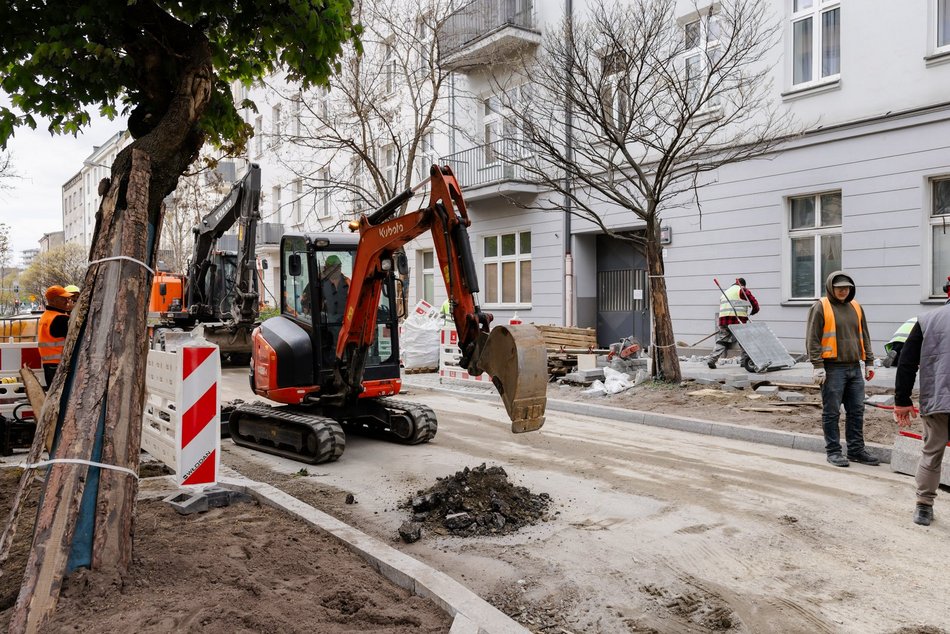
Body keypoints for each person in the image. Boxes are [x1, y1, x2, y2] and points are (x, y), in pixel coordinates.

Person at [805, 271, 878, 467]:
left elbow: (865, 335)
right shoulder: (821, 307)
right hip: (832, 369)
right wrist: (817, 366)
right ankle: (834, 452)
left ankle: (855, 450)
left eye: (847, 287)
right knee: (832, 412)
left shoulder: (856, 306)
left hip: (854, 367)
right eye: (839, 288)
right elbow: (812, 339)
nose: (843, 291)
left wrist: (869, 362)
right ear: (831, 287)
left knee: (856, 411)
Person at [893, 302, 950, 526]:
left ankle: (923, 506)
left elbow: (907, 362)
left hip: (937, 400)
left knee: (931, 454)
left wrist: (902, 400)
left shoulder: (927, 320)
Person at [707, 277, 759, 369]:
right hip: (737, 319)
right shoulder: (742, 290)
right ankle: (744, 362)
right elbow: (754, 303)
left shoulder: (726, 292)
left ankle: (712, 359)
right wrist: (753, 311)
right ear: (743, 284)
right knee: (744, 341)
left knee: (722, 341)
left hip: (723, 320)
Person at [38, 285, 78, 386]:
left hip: (50, 364)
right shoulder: (60, 319)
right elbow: (76, 333)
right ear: (54, 301)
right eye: (64, 298)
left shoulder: (46, 315)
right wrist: (74, 311)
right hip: (59, 365)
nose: (68, 301)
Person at [320, 254, 350, 323]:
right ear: (327, 267)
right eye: (334, 267)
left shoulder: (348, 282)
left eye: (339, 267)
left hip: (345, 322)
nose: (338, 269)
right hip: (326, 324)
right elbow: (306, 302)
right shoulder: (319, 283)